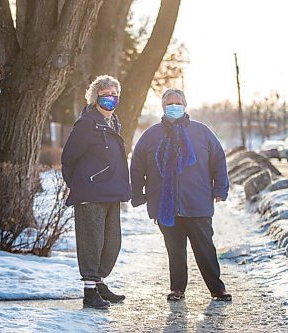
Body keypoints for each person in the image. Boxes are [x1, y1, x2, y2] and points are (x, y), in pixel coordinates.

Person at [130, 88, 232, 302]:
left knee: (205, 249)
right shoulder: (151, 135)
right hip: (165, 205)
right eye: (169, 104)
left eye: (178, 103)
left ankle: (217, 288)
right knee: (175, 250)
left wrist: (220, 189)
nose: (174, 107)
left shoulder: (202, 131)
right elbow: (137, 164)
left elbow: (218, 160)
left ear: (185, 105)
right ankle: (177, 289)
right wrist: (138, 193)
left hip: (197, 202)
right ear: (163, 107)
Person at [61, 75, 131, 309]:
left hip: (112, 192)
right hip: (91, 194)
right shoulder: (87, 123)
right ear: (95, 97)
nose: (110, 98)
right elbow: (68, 158)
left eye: (114, 94)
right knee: (92, 242)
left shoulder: (113, 122)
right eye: (105, 94)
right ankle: (90, 292)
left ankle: (99, 283)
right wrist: (81, 184)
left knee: (111, 243)